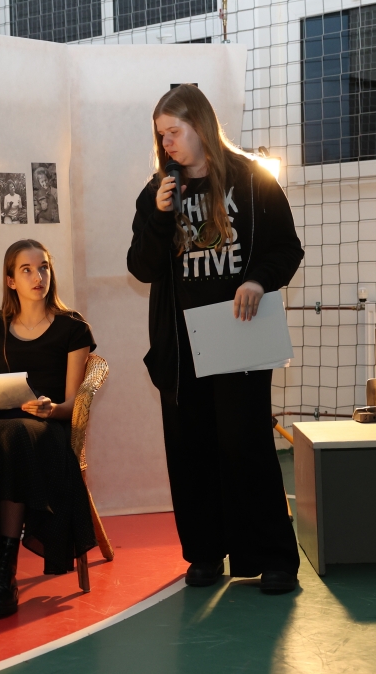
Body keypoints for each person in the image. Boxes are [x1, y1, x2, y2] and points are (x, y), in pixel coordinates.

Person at [126, 84, 304, 595]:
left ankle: (272, 557)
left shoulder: (252, 180)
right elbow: (141, 267)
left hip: (239, 336)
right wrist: (160, 216)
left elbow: (287, 249)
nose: (166, 144)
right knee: (191, 449)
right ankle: (205, 554)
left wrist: (258, 281)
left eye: (174, 132)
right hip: (182, 345)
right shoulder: (157, 190)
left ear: (201, 126)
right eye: (161, 135)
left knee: (246, 444)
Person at [0, 239, 97, 618]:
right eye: (27, 270)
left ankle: (4, 572)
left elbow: (72, 404)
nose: (38, 276)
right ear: (11, 280)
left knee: (14, 436)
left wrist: (51, 409)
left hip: (45, 427)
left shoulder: (73, 327)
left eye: (43, 267)